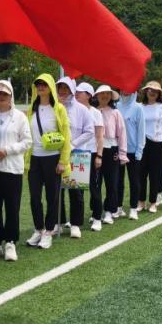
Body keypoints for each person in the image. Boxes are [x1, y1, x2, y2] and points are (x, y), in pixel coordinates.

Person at [0, 79, 32, 262]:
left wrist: (7, 150)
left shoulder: (20, 117)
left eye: (5, 93)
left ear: (11, 96)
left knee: (12, 207)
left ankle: (10, 242)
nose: (1, 96)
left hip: (12, 169)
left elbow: (27, 142)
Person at [25, 74, 71, 250]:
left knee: (52, 197)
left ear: (50, 86)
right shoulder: (32, 109)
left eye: (44, 84)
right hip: (34, 159)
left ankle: (49, 231)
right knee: (34, 197)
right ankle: (38, 229)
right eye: (38, 84)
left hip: (53, 159)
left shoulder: (59, 109)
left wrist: (63, 161)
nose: (41, 86)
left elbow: (66, 136)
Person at [56, 77, 94, 238]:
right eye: (60, 87)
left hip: (77, 154)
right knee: (56, 191)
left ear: (72, 90)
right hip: (56, 154)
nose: (62, 91)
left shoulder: (81, 109)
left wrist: (72, 145)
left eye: (66, 88)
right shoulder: (54, 107)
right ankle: (58, 223)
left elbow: (89, 131)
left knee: (75, 191)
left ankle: (75, 224)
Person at [139, 81, 162, 214]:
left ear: (159, 93)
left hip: (157, 144)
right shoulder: (140, 106)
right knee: (141, 174)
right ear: (145, 92)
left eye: (155, 91)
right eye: (150, 90)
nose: (152, 92)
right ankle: (141, 202)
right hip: (142, 144)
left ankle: (153, 203)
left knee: (155, 174)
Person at [95, 85, 127, 227]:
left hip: (111, 150)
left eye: (108, 94)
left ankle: (109, 211)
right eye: (102, 94)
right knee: (96, 183)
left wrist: (122, 154)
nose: (105, 96)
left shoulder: (115, 113)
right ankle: (96, 211)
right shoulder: (92, 111)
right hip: (94, 150)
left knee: (111, 182)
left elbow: (122, 133)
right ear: (97, 96)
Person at [75, 82, 106, 231]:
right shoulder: (74, 111)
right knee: (77, 189)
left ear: (88, 95)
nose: (76, 94)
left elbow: (100, 137)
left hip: (92, 153)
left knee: (94, 187)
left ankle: (97, 217)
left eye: (80, 92)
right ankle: (77, 219)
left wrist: (99, 155)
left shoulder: (96, 113)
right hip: (78, 153)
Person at [117, 90, 145, 220]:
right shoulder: (116, 106)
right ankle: (118, 207)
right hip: (118, 150)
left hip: (133, 151)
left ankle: (133, 208)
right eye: (123, 89)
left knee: (134, 181)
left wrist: (139, 150)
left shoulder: (138, 108)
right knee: (118, 181)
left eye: (128, 90)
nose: (125, 92)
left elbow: (141, 130)